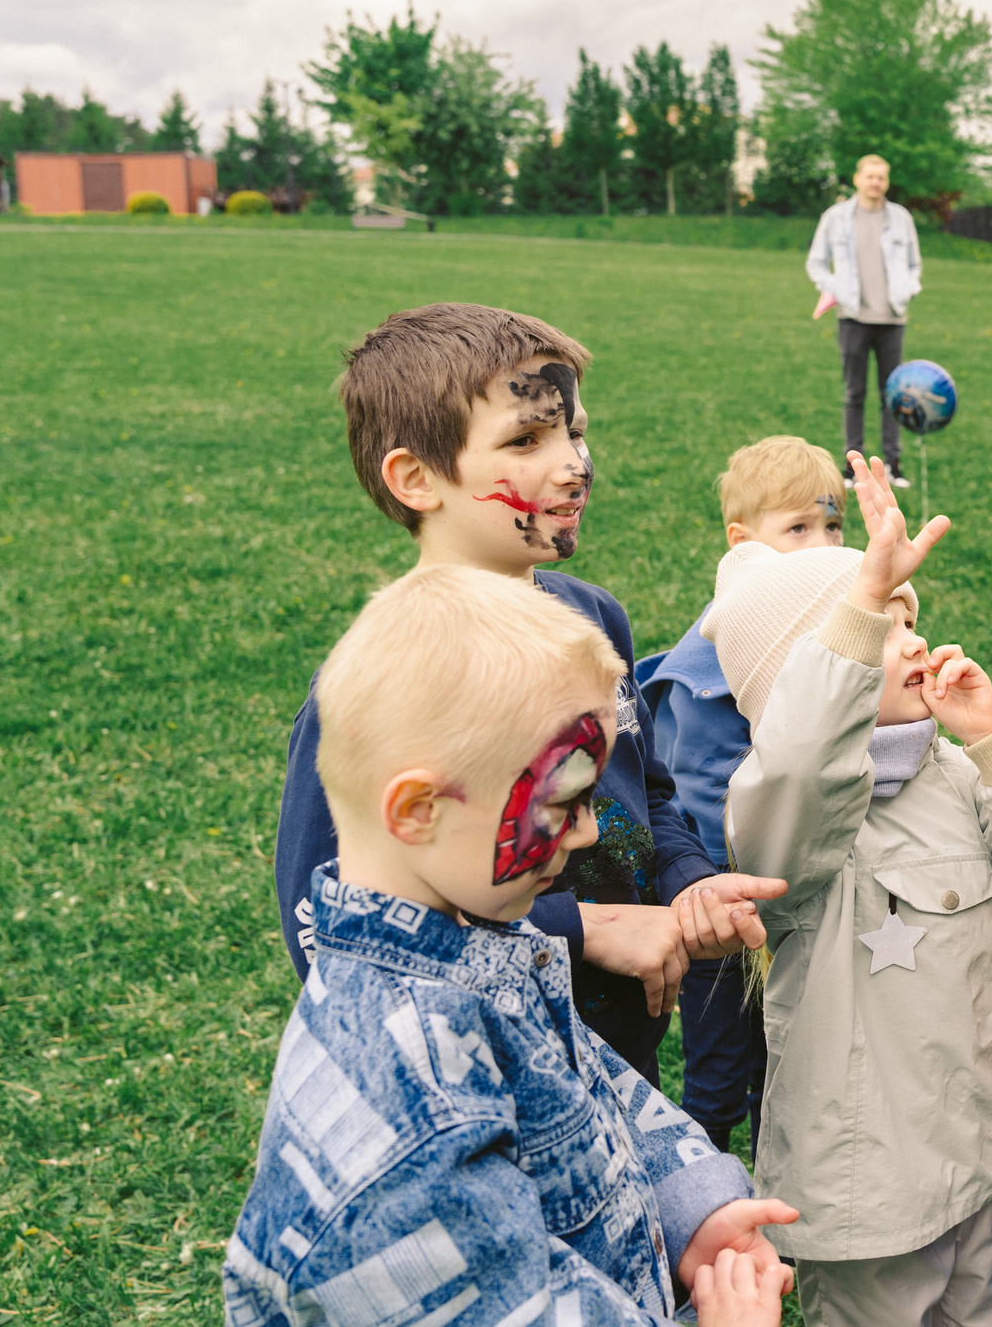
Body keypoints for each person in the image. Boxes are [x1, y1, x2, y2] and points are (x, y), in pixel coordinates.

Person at [225, 564, 798, 1327]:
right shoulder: (405, 1133)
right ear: (419, 810)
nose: (592, 830)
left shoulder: (482, 938)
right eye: (565, 802)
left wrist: (686, 1208)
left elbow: (595, 1091)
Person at [272, 303, 780, 1086]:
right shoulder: (389, 676)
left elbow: (644, 792)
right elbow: (326, 923)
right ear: (416, 479)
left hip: (620, 1060)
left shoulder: (592, 618)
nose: (573, 464)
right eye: (526, 440)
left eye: (574, 431)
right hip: (477, 1072)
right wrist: (585, 929)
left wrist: (689, 882)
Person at [712, 453, 992, 1327]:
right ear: (815, 675)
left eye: (908, 619)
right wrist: (860, 610)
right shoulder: (795, 818)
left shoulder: (954, 775)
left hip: (980, 1169)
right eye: (885, 630)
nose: (916, 639)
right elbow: (801, 762)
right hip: (868, 1206)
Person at [641, 435, 849, 1155]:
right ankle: (701, 1195)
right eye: (798, 528)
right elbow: (698, 787)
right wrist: (730, 891)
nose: (821, 544)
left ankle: (781, 1214)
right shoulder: (721, 645)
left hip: (788, 900)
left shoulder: (819, 626)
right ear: (742, 540)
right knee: (719, 1068)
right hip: (721, 912)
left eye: (833, 527)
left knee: (784, 1064)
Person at [807, 154, 922, 486]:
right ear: (857, 178)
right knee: (854, 393)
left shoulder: (900, 219)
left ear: (886, 182)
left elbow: (915, 264)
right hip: (852, 316)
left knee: (894, 395)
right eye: (870, 176)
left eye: (881, 178)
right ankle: (852, 466)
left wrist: (909, 289)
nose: (876, 183)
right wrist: (835, 288)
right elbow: (815, 263)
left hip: (892, 319)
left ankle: (893, 464)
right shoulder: (836, 218)